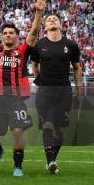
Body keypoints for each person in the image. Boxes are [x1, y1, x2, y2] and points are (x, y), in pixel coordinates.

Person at [0, 0, 45, 177]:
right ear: (2, 36)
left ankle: (17, 167)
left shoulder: (22, 51)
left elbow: (35, 33)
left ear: (16, 36)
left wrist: (39, 12)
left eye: (11, 33)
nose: (8, 35)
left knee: (18, 131)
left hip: (16, 100)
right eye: (5, 33)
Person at [31, 12, 82, 174]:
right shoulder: (39, 45)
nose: (52, 20)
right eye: (48, 19)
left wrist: (78, 90)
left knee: (59, 130)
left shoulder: (71, 45)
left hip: (64, 91)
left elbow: (76, 68)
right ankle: (51, 161)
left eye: (55, 19)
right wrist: (41, 80)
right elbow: (34, 65)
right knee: (47, 124)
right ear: (45, 26)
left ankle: (53, 158)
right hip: (45, 91)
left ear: (61, 25)